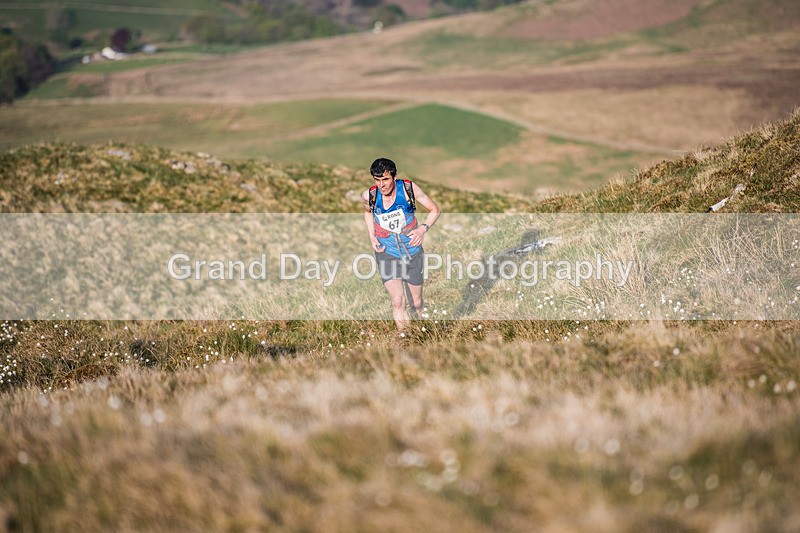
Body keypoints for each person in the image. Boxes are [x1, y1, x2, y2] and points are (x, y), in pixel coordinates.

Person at [362, 157, 440, 331]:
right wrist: (372, 237)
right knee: (398, 302)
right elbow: (368, 213)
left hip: (412, 251)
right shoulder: (370, 196)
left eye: (385, 179)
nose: (382, 185)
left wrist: (422, 229)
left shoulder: (408, 189)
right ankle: (407, 338)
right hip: (386, 252)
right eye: (377, 180)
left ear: (394, 177)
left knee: (417, 303)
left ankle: (424, 332)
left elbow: (435, 210)